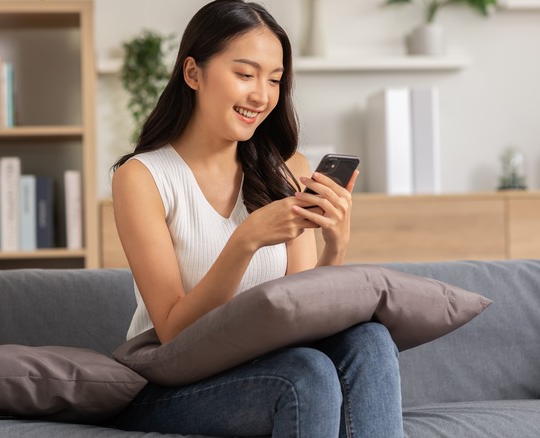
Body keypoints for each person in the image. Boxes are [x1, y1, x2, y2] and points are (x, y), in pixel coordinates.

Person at [110, 1, 403, 436]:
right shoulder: (142, 177)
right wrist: (245, 240)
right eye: (245, 74)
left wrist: (335, 246)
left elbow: (301, 315)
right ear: (193, 73)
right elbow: (172, 331)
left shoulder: (287, 168)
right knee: (306, 374)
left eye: (275, 80)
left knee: (371, 340)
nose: (262, 96)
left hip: (270, 365)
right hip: (172, 383)